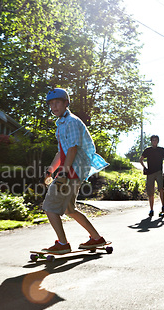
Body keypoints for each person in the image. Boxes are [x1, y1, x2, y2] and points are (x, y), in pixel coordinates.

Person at [41, 88, 109, 254]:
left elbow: (72, 149)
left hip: (71, 171)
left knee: (50, 206)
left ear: (66, 103)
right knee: (70, 209)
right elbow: (61, 152)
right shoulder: (61, 125)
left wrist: (63, 173)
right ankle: (96, 238)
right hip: (70, 171)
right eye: (51, 103)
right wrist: (51, 170)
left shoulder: (71, 122)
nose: (54, 106)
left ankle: (63, 244)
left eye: (57, 102)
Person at [139, 135, 164, 217]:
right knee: (150, 192)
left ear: (158, 141)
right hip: (150, 173)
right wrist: (144, 167)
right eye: (153, 140)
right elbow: (141, 159)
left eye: (155, 140)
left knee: (161, 189)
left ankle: (163, 206)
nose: (154, 142)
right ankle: (151, 209)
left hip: (159, 172)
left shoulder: (161, 150)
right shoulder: (147, 150)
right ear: (151, 141)